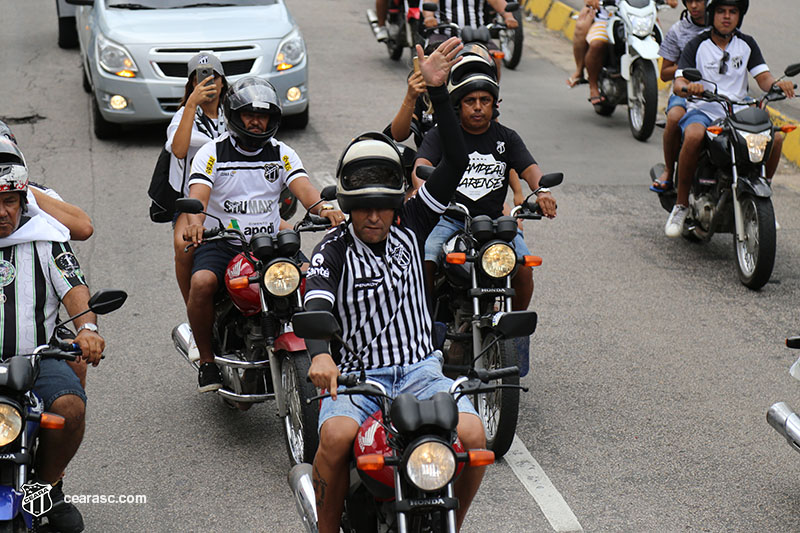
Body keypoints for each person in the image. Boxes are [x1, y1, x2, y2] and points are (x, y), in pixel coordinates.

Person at [304, 37, 487, 533]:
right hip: (358, 380)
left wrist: (439, 93)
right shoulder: (331, 250)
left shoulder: (413, 225)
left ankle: (453, 523)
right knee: (336, 438)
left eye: (383, 206)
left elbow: (457, 161)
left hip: (422, 372)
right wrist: (320, 355)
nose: (374, 216)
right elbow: (316, 304)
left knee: (474, 437)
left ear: (396, 204)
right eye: (363, 207)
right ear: (348, 206)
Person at [183, 77, 345, 393]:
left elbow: (305, 191)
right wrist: (195, 223)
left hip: (272, 244)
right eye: (249, 115)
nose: (257, 122)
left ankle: (330, 353)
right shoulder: (211, 153)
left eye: (264, 116)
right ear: (234, 115)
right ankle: (207, 361)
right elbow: (198, 196)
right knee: (201, 283)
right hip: (225, 243)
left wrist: (326, 210)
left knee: (318, 279)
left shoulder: (282, 153)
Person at [0, 138, 106, 533]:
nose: (2, 212)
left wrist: (87, 328)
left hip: (34, 359)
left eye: (9, 201)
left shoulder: (44, 235)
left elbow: (74, 286)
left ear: (23, 198)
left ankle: (44, 488)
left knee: (70, 407)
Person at [412, 45, 557, 313]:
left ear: (494, 103)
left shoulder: (507, 137)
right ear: (459, 104)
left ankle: (515, 329)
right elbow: (421, 166)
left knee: (524, 266)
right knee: (426, 257)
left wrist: (543, 191)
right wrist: (424, 195)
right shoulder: (442, 134)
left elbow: (530, 169)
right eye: (470, 101)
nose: (478, 107)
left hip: (495, 224)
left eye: (485, 100)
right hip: (449, 220)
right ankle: (423, 321)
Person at [665, 0, 795, 237]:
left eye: (733, 12)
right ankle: (681, 205)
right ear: (712, 14)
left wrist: (777, 85)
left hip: (738, 111)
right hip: (704, 108)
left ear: (739, 16)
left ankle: (763, 198)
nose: (727, 16)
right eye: (721, 11)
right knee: (693, 135)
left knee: (774, 138)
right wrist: (688, 87)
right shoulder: (697, 44)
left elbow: (763, 78)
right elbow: (679, 81)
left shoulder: (747, 44)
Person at [166, 53, 228, 307]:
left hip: (235, 197)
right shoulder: (184, 115)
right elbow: (179, 149)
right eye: (200, 79)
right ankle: (193, 310)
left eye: (214, 78)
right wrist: (191, 105)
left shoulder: (233, 113)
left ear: (223, 82)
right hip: (195, 201)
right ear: (192, 84)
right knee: (184, 246)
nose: (208, 83)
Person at [651, 0, 708, 192]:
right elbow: (665, 73)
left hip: (718, 92)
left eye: (699, 1)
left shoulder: (722, 30)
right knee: (675, 117)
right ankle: (669, 170)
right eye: (689, 1)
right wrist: (687, 67)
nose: (694, 6)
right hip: (684, 91)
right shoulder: (678, 30)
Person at [580, 0, 678, 104]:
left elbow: (673, 3)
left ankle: (644, 82)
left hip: (640, 20)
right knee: (597, 44)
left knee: (657, 41)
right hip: (607, 20)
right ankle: (593, 85)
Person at [422, 0, 518, 79]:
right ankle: (432, 92)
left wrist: (509, 17)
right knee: (435, 56)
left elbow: (497, 2)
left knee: (495, 57)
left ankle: (493, 91)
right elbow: (429, 2)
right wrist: (429, 17)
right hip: (444, 33)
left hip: (477, 34)